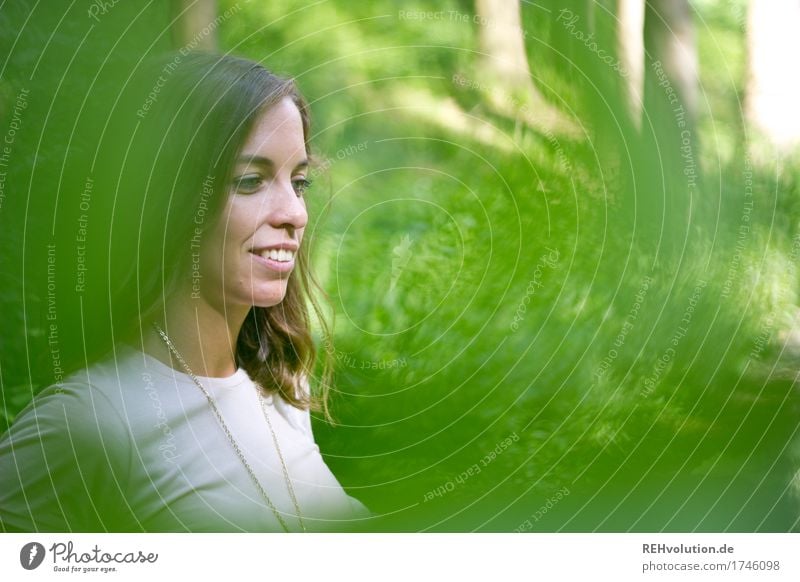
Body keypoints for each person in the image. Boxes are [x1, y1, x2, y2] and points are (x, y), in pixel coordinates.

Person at [0, 52, 369, 532]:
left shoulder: (280, 384)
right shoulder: (88, 422)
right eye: (251, 181)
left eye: (299, 182)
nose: (294, 213)